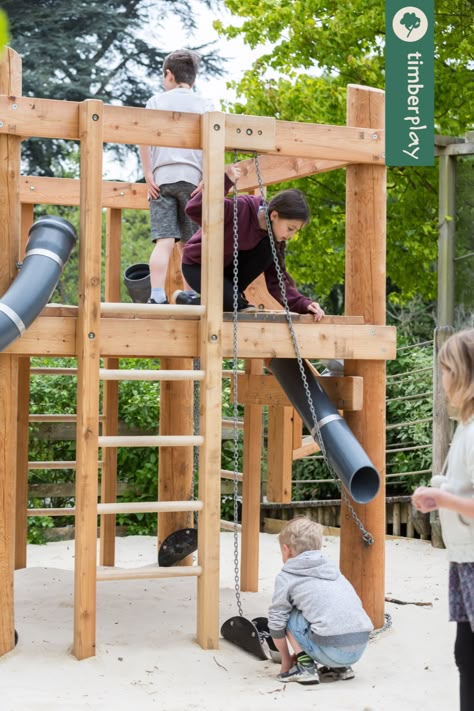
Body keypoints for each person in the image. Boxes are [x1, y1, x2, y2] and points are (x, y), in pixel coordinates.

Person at [412, 328, 474, 711]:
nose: (443, 379)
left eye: (447, 369)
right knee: (465, 654)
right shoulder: (464, 427)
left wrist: (442, 497)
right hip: (463, 556)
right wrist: (441, 495)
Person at [174, 164, 325, 320]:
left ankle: (193, 301)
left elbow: (277, 280)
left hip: (227, 273)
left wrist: (304, 304)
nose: (291, 235)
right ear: (274, 215)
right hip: (198, 266)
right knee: (233, 304)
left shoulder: (273, 239)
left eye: (295, 231)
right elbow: (194, 209)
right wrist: (226, 181)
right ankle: (233, 301)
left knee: (267, 249)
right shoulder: (241, 208)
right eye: (290, 228)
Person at [139, 49, 212, 304]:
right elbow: (215, 143)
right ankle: (190, 294)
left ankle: (157, 295)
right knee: (190, 245)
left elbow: (144, 141)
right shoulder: (205, 105)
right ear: (193, 78)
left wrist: (148, 174)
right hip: (194, 181)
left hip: (162, 181)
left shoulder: (156, 101)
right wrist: (207, 177)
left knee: (164, 240)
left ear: (168, 75)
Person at [267, 516, 373, 685]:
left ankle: (306, 667)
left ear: (286, 550)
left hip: (329, 650)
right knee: (328, 608)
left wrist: (286, 660)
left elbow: (276, 622)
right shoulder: (333, 570)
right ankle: (341, 668)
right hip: (358, 649)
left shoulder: (287, 576)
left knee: (285, 613)